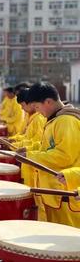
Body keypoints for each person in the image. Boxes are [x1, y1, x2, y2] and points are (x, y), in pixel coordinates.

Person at [20, 82, 80, 227]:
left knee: (66, 237)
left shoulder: (66, 121)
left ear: (48, 101)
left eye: (37, 107)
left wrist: (31, 157)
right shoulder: (55, 120)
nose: (37, 111)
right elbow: (46, 148)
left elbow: (64, 156)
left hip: (65, 192)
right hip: (56, 192)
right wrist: (28, 152)